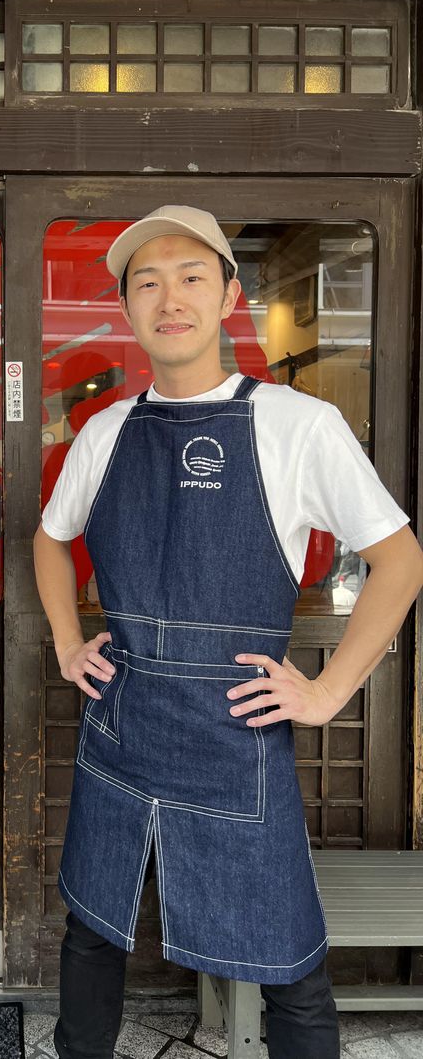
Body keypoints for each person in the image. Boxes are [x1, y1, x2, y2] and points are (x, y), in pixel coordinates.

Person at [33, 206, 423, 1059]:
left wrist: (324, 693)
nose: (169, 298)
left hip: (236, 728)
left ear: (229, 294)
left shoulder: (295, 425)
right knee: (92, 932)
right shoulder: (102, 432)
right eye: (147, 282)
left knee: (289, 960)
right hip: (123, 719)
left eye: (191, 277)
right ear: (129, 309)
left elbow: (400, 561)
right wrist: (68, 641)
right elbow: (49, 539)